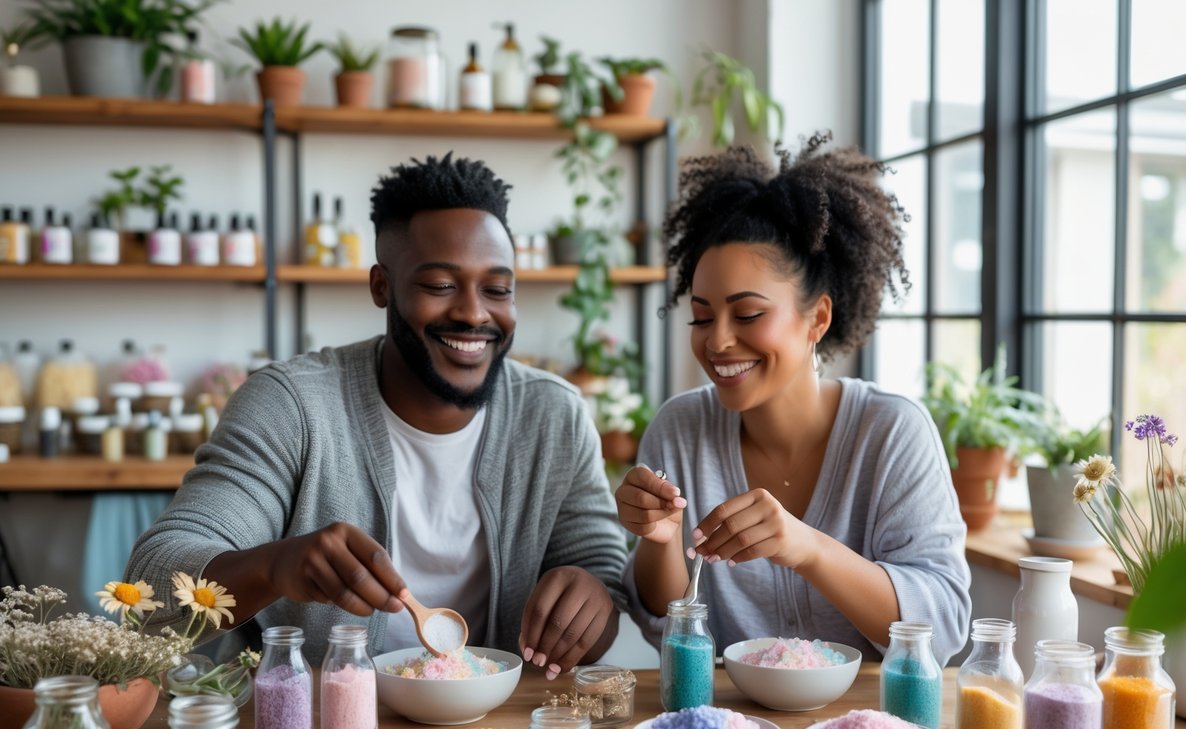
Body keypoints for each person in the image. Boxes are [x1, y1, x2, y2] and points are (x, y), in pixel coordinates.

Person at [128, 153, 628, 677]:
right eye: (440, 285)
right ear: (381, 286)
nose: (475, 313)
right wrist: (273, 566)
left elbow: (604, 579)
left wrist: (591, 599)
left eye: (498, 290)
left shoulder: (553, 415)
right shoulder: (291, 406)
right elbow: (152, 586)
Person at [615, 134, 971, 666]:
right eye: (703, 316)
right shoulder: (681, 427)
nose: (717, 341)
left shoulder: (893, 432)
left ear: (818, 319)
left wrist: (808, 549)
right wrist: (659, 539)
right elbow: (664, 623)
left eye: (749, 315)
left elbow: (941, 629)